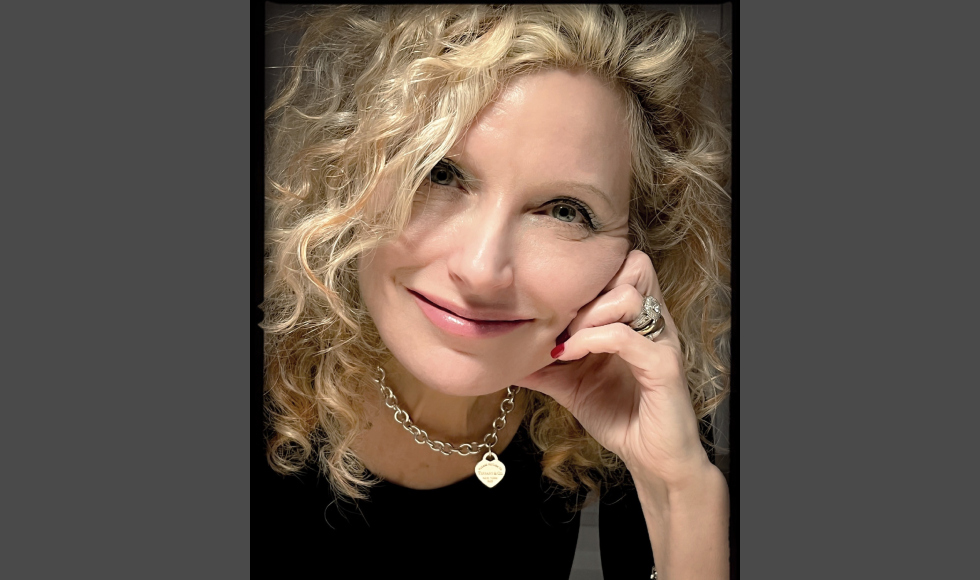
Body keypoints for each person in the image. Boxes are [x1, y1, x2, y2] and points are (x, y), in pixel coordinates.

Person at [259, 5, 731, 579]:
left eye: (564, 211)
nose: (483, 271)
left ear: (638, 250)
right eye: (440, 173)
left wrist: (679, 490)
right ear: (350, 171)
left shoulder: (624, 389)